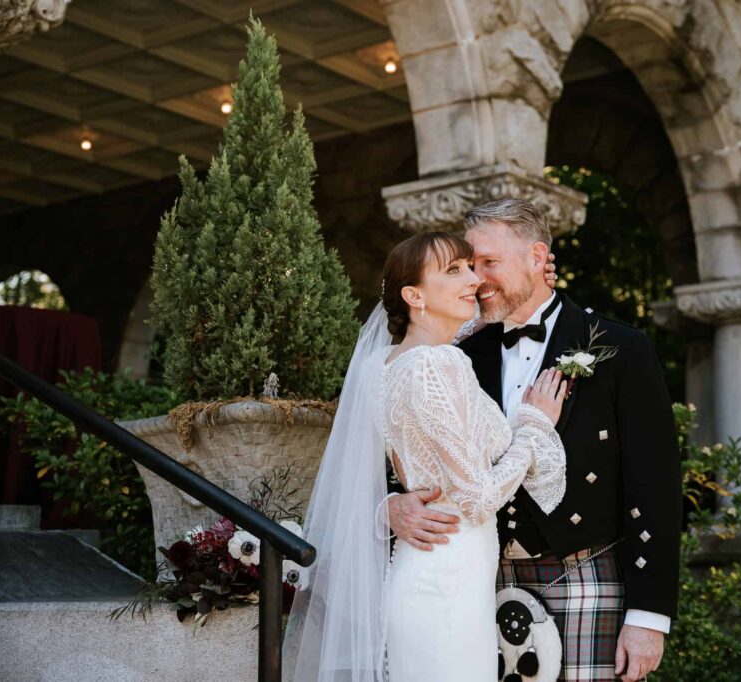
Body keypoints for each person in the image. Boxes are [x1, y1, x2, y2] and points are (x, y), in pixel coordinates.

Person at [388, 199, 682, 682]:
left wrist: (648, 616)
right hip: (476, 583)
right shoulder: (457, 352)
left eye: (489, 263)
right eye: (468, 265)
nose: (477, 278)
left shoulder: (620, 347)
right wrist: (393, 505)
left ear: (536, 256)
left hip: (583, 573)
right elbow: (408, 450)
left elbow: (655, 486)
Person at [284, 231, 568, 681]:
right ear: (414, 294)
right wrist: (534, 426)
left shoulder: (384, 365)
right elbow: (475, 497)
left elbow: (471, 319)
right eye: (454, 270)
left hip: (431, 571)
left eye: (471, 267)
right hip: (447, 582)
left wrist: (534, 276)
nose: (472, 279)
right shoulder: (439, 364)